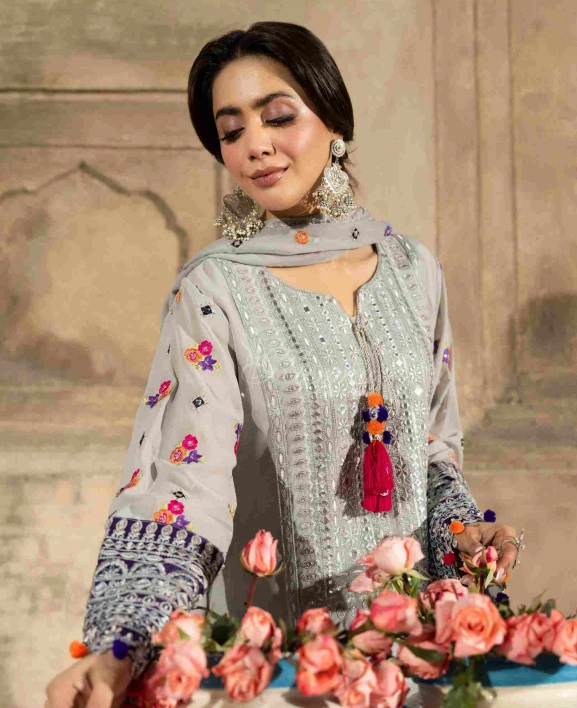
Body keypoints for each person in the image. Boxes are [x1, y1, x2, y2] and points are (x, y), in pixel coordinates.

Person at [44, 20, 522, 708]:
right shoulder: (214, 289)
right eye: (231, 130)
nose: (255, 145)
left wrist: (464, 536)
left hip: (415, 661)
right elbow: (183, 486)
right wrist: (120, 648)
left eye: (277, 116)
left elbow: (429, 454)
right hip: (285, 673)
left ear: (333, 121)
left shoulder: (413, 270)